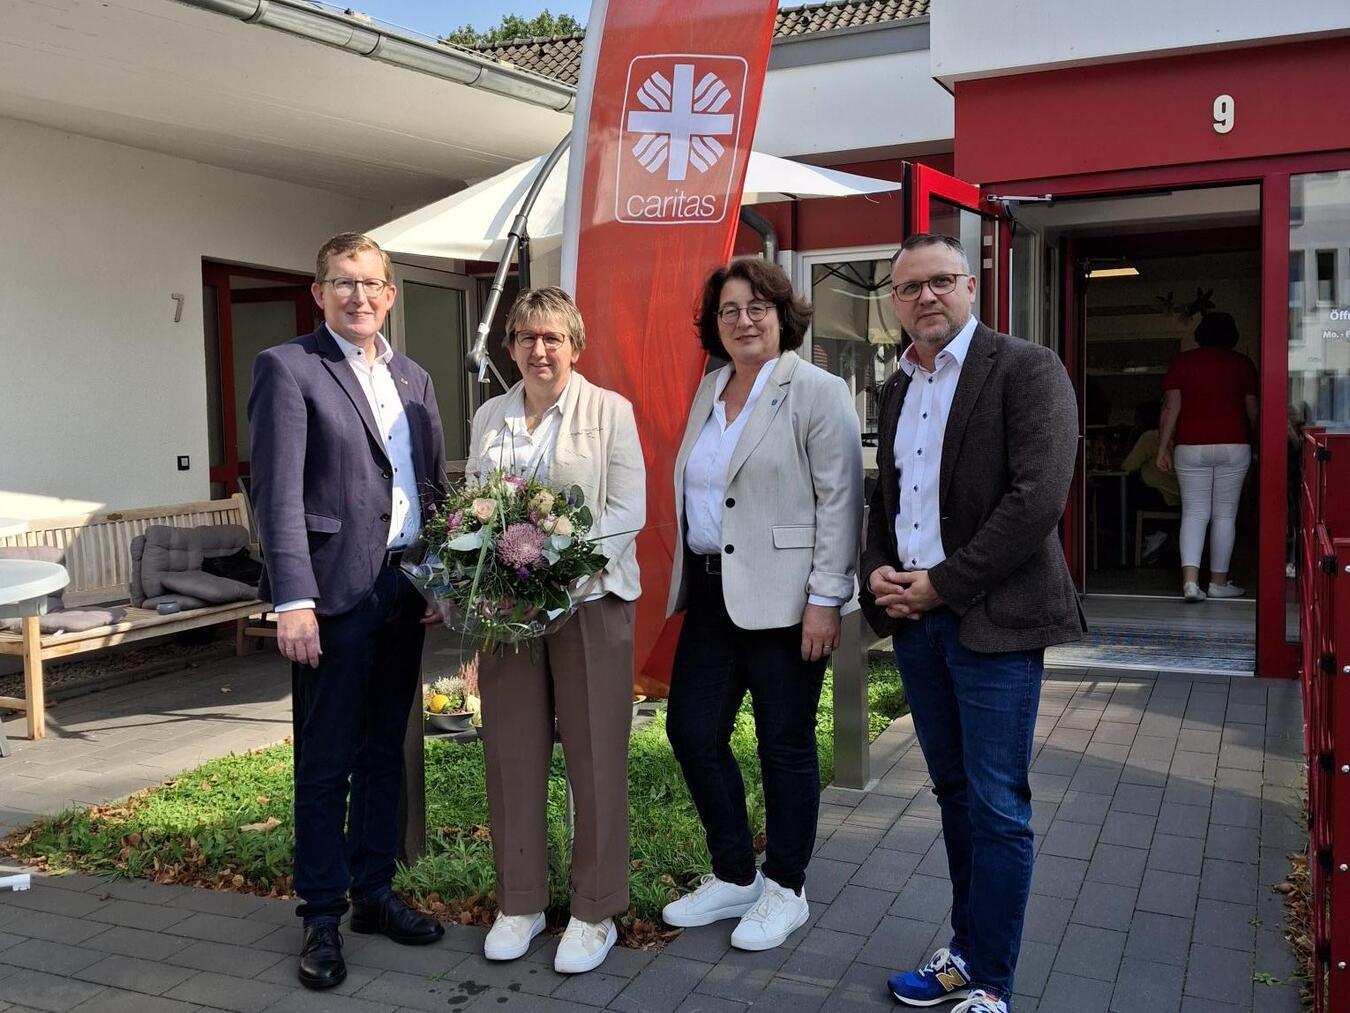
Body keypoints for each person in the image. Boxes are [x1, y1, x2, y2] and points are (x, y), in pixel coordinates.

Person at [861, 233, 1081, 1013]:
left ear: (971, 286)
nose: (925, 297)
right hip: (919, 625)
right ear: (893, 301)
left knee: (995, 803)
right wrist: (878, 571)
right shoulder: (897, 387)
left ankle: (993, 982)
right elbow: (891, 499)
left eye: (940, 281)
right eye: (908, 287)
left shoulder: (1026, 369)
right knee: (954, 793)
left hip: (991, 621)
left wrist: (941, 586)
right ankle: (965, 951)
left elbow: (1036, 501)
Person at [248, 233, 447, 991]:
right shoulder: (289, 367)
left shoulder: (415, 377)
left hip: (399, 589)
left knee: (385, 750)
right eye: (342, 283)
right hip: (328, 596)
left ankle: (374, 894)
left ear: (391, 294)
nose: (357, 296)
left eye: (370, 284)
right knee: (326, 759)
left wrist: (432, 577)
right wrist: (292, 599)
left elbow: (428, 486)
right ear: (319, 293)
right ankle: (321, 913)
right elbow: (277, 493)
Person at [661, 257, 863, 952]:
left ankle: (786, 887)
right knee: (691, 732)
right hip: (713, 590)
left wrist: (826, 599)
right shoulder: (711, 388)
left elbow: (840, 500)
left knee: (784, 744)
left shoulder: (818, 389)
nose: (743, 320)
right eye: (729, 310)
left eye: (757, 307)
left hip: (788, 601)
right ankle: (735, 873)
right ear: (714, 325)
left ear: (782, 315)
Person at [465, 286, 646, 975]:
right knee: (511, 753)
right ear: (510, 346)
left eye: (553, 337)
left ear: (575, 344)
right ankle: (522, 901)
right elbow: (476, 509)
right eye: (526, 337)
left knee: (595, 757)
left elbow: (628, 511)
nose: (539, 350)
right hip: (509, 611)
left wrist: (557, 570)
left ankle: (595, 910)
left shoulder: (610, 412)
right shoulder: (490, 415)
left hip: (590, 603)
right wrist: (498, 583)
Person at [1155, 311, 1258, 602]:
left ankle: (1190, 583)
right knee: (1225, 514)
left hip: (1190, 446)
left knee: (1194, 513)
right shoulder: (1242, 364)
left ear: (1200, 334)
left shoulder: (1182, 363)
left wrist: (1162, 447)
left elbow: (1170, 407)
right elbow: (1253, 410)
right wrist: (1261, 443)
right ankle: (1218, 582)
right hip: (1235, 444)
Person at [1121, 401, 1182, 563]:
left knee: (1121, 489)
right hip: (1180, 498)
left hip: (1157, 497)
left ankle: (1148, 535)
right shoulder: (1181, 438)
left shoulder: (1150, 437)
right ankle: (1154, 535)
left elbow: (1128, 466)